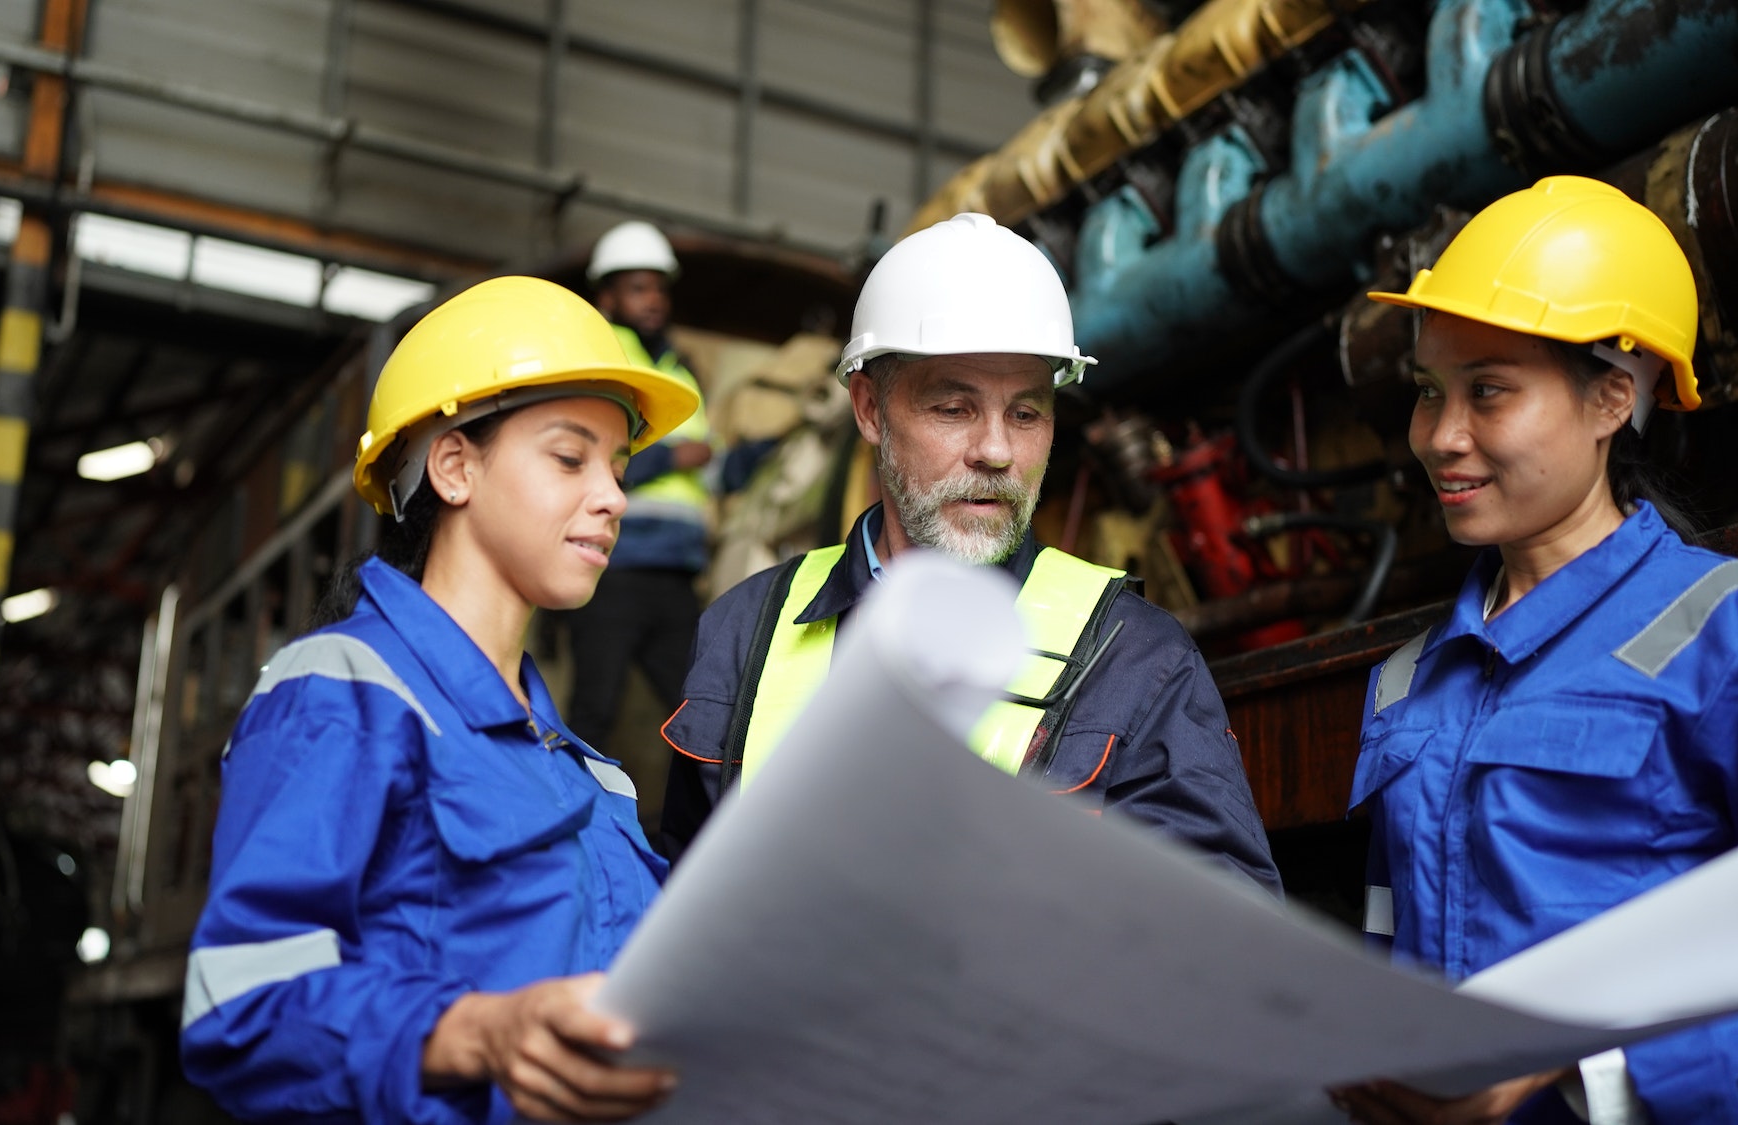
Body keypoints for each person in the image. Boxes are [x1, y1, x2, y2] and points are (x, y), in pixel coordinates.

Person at [1335, 177, 1738, 1125]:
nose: (1441, 438)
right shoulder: (1407, 681)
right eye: (1427, 393)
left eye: (1487, 391)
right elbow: (1387, 953)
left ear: (1613, 398)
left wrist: (1589, 1077)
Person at [178, 277, 702, 1124]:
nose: (613, 497)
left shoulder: (591, 775)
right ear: (456, 466)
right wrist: (477, 1033)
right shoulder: (345, 694)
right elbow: (241, 1005)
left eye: (619, 465)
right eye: (571, 457)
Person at [657, 212, 1281, 896]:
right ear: (868, 408)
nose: (997, 451)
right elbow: (675, 905)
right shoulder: (744, 633)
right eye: (954, 408)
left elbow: (1218, 947)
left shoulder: (1136, 660)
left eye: (1026, 412)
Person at [563, 221, 714, 757]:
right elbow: (582, 454)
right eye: (637, 287)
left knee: (701, 709)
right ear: (607, 299)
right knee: (594, 710)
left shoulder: (679, 369)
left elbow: (707, 474)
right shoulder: (605, 359)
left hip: (676, 574)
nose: (653, 299)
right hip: (614, 566)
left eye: (658, 287)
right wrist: (673, 456)